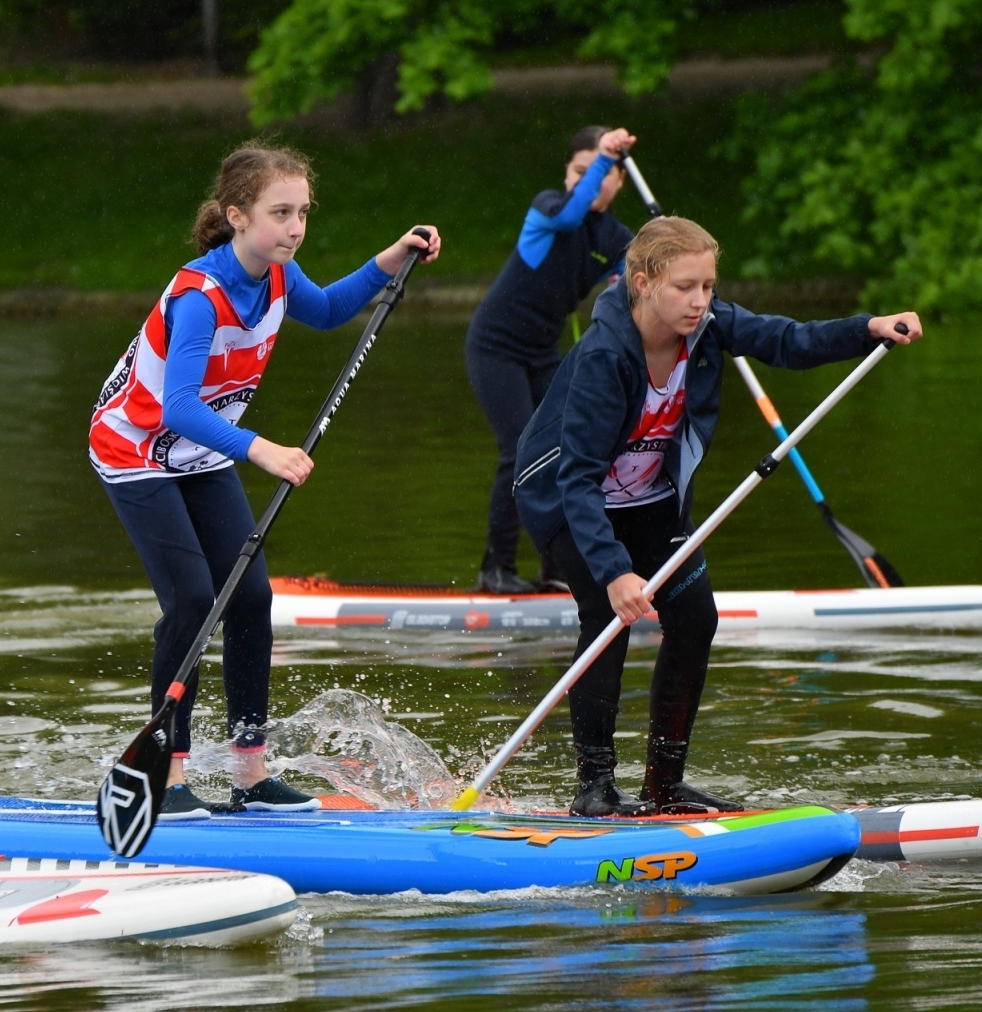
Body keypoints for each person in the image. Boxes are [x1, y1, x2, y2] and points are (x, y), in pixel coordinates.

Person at [513, 216, 921, 816]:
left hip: (651, 502)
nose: (701, 301)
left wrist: (868, 329)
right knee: (606, 616)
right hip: (568, 500)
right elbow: (578, 478)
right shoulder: (605, 355)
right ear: (644, 281)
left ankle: (663, 785)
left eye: (708, 285)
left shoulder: (706, 327)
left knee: (695, 617)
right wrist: (615, 570)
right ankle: (594, 789)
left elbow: (788, 340)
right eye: (685, 286)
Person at [89, 141, 440, 819]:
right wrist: (262, 449)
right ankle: (168, 775)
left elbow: (333, 309)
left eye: (303, 212)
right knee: (192, 602)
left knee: (250, 598)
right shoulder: (200, 296)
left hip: (200, 453)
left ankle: (250, 775)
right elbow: (179, 406)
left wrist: (392, 259)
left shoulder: (278, 276)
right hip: (136, 450)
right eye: (282, 213)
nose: (296, 227)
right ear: (237, 215)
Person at [465, 125, 638, 594]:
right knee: (517, 452)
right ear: (568, 174)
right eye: (582, 171)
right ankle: (494, 568)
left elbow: (640, 287)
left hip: (543, 355)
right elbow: (571, 217)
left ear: (620, 181)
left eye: (602, 173)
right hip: (495, 347)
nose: (592, 182)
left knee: (568, 454)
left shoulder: (617, 238)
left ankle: (558, 567)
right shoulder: (547, 210)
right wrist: (603, 156)